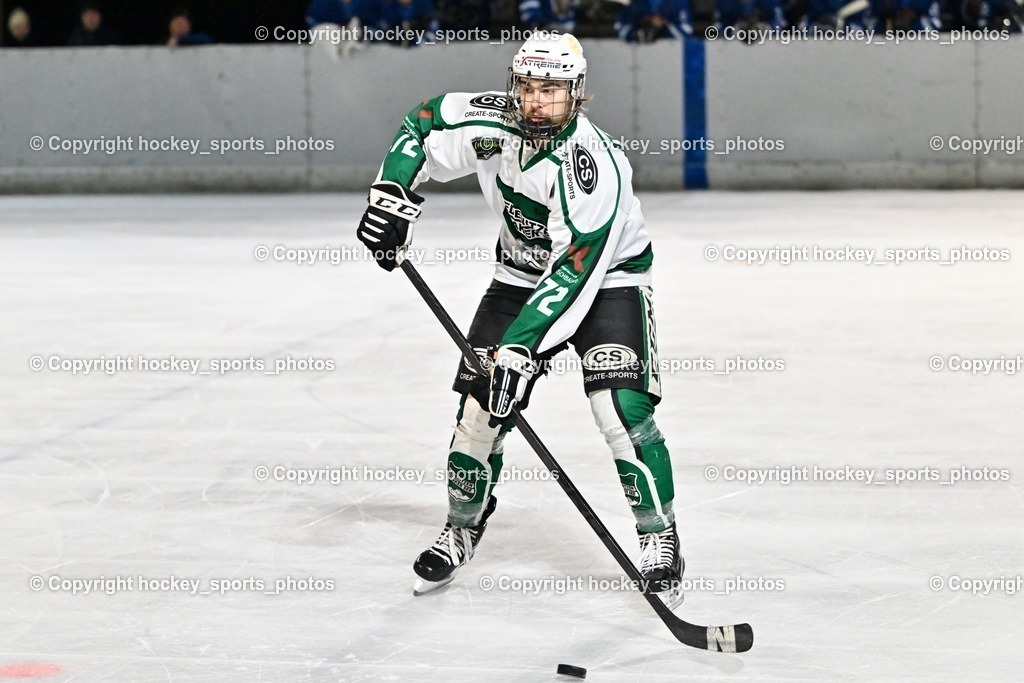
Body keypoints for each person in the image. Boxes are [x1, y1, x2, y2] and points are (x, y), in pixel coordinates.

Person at [356, 31, 684, 607]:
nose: (536, 102)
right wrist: (391, 195)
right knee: (479, 413)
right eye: (528, 87)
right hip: (518, 278)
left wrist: (519, 350)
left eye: (552, 91)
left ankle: (661, 538)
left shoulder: (594, 167)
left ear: (577, 94)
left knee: (620, 408)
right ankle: (463, 524)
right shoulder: (494, 119)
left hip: (608, 280)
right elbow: (422, 126)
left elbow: (575, 267)